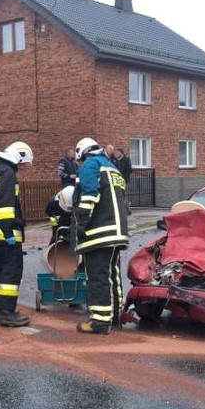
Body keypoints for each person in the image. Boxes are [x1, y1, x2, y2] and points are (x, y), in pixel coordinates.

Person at [72, 137, 129, 334]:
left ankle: (99, 321)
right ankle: (115, 315)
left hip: (98, 232)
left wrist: (81, 222)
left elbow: (89, 195)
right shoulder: (113, 168)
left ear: (82, 154)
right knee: (113, 275)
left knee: (97, 276)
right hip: (117, 233)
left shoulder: (89, 165)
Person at [0, 141, 34, 327]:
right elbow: (4, 206)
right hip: (4, 233)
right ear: (18, 157)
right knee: (10, 272)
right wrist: (8, 232)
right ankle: (6, 312)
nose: (22, 168)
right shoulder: (8, 174)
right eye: (23, 164)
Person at [111, 148, 133, 215]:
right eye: (116, 152)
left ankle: (126, 210)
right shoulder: (115, 160)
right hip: (117, 180)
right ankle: (125, 209)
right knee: (120, 194)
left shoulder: (126, 159)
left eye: (118, 152)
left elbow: (129, 169)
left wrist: (124, 177)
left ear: (121, 153)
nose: (116, 154)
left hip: (124, 180)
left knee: (123, 194)